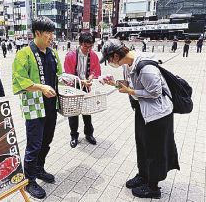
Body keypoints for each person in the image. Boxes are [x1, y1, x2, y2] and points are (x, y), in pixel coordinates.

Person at [100, 39, 180, 199]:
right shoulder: (128, 65)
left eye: (108, 59)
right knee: (142, 145)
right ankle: (143, 175)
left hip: (158, 115)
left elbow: (155, 93)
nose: (109, 63)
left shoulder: (146, 68)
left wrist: (130, 91)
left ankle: (153, 187)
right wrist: (115, 84)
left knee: (154, 150)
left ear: (115, 55)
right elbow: (132, 86)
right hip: (143, 111)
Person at [12, 16, 62, 199]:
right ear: (38, 33)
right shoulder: (23, 54)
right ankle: (29, 180)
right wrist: (40, 87)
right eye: (48, 33)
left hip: (51, 105)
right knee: (34, 144)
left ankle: (39, 169)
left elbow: (60, 75)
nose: (51, 36)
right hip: (34, 106)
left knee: (47, 140)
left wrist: (76, 82)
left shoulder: (53, 53)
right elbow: (20, 80)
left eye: (52, 32)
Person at [64, 32, 101, 148]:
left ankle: (89, 134)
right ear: (80, 44)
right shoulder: (70, 55)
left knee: (87, 112)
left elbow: (95, 70)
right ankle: (74, 136)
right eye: (86, 46)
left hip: (86, 87)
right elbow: (67, 75)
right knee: (73, 113)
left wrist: (90, 78)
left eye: (91, 46)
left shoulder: (93, 55)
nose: (88, 49)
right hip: (73, 87)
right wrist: (80, 81)